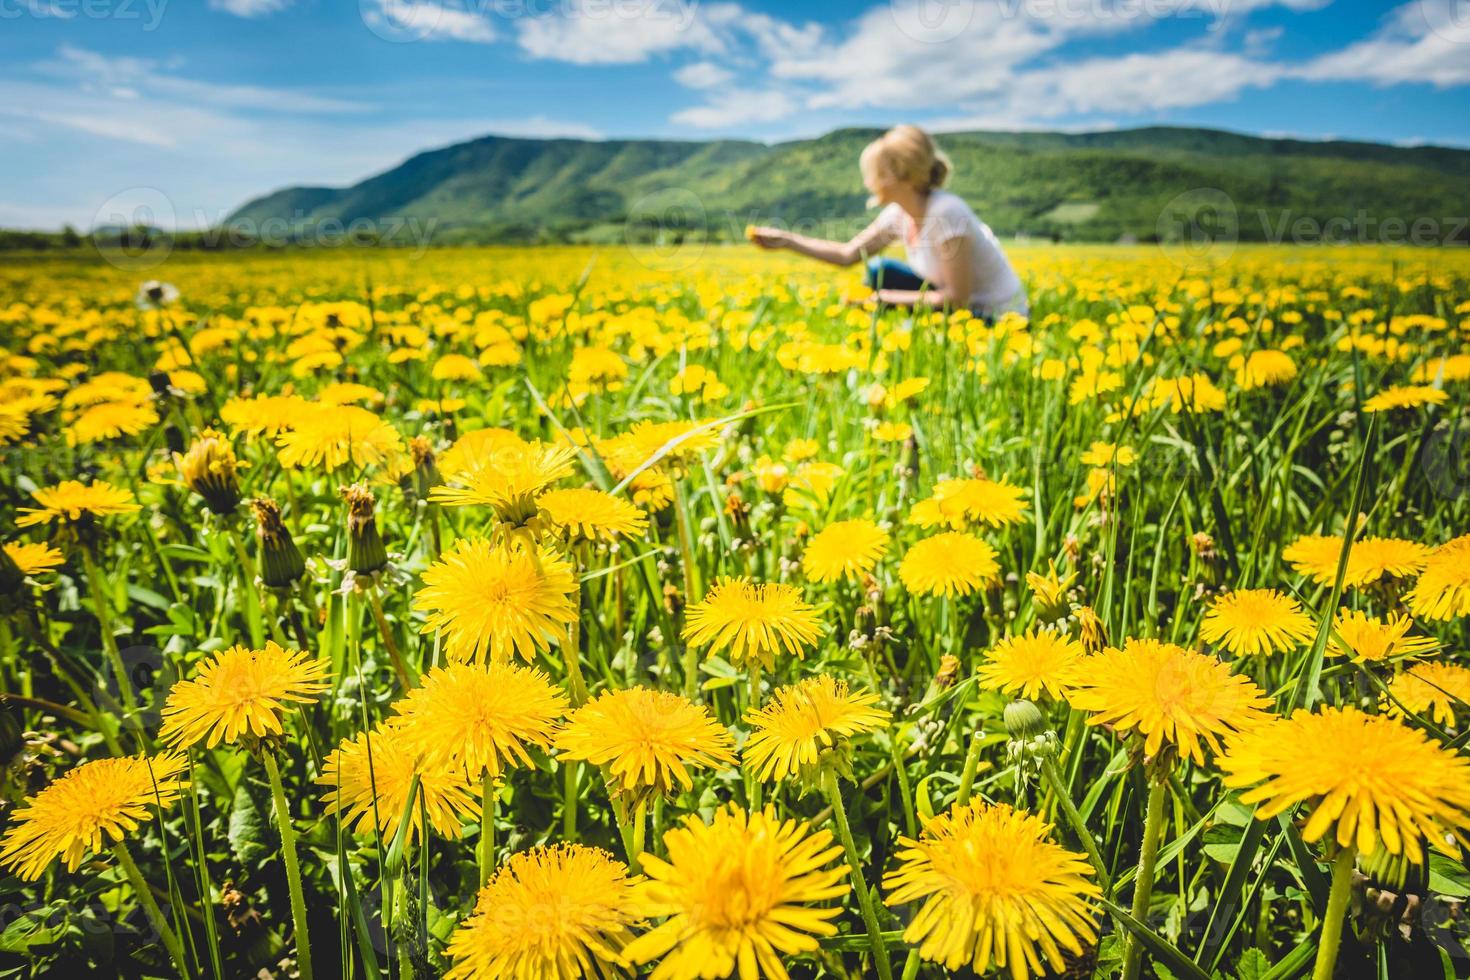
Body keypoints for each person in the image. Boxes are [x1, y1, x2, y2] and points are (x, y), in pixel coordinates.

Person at [748, 125, 1027, 321]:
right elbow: (848, 255)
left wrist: (883, 299)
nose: (868, 182)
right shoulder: (898, 214)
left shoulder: (946, 212)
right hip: (957, 308)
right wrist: (785, 240)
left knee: (888, 291)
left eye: (874, 173)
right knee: (879, 269)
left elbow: (958, 301)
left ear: (899, 175)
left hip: (996, 317)